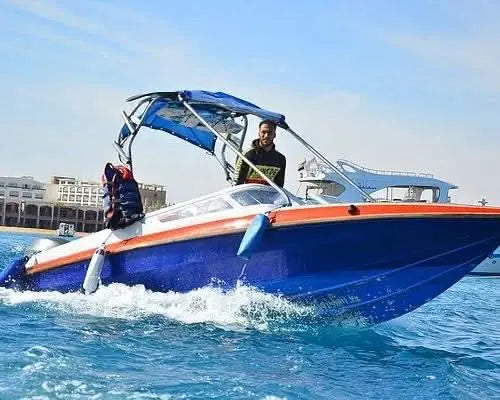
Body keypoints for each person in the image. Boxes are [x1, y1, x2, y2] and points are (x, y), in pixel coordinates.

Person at [236, 119, 286, 187]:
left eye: (270, 132)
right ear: (258, 133)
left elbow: (279, 186)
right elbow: (237, 183)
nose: (266, 135)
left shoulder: (280, 159)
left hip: (268, 196)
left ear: (274, 135)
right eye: (263, 132)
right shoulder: (247, 155)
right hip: (247, 195)